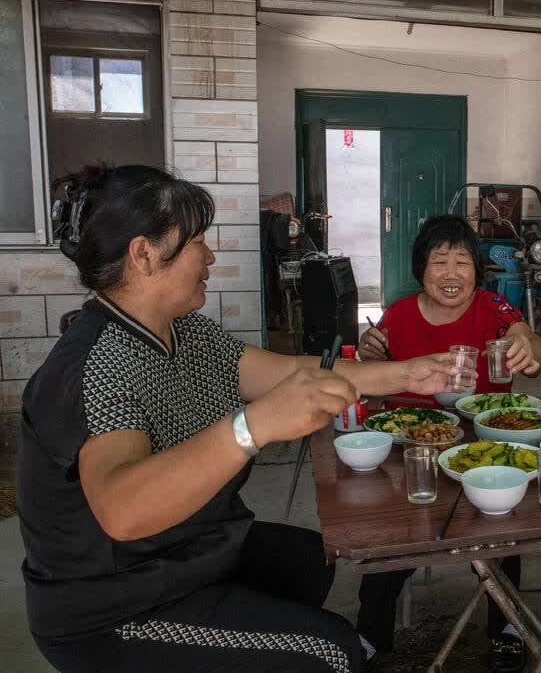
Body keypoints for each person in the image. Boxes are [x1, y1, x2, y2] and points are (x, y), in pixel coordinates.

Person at [17, 165, 458, 672]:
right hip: (117, 600)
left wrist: (409, 373)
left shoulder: (185, 331)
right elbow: (123, 510)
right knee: (332, 653)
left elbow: (289, 371)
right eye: (196, 242)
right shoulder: (96, 363)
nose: (209, 255)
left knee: (309, 561)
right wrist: (254, 426)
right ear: (144, 254)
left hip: (184, 549)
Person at [356, 214, 541, 672]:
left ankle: (505, 627)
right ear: (420, 267)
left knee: (502, 529)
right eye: (438, 260)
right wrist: (368, 352)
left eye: (462, 261)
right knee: (391, 538)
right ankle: (368, 634)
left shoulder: (494, 308)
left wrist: (527, 346)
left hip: (483, 448)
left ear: (476, 271)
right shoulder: (398, 314)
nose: (450, 272)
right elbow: (373, 371)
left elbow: (531, 341)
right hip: (412, 448)